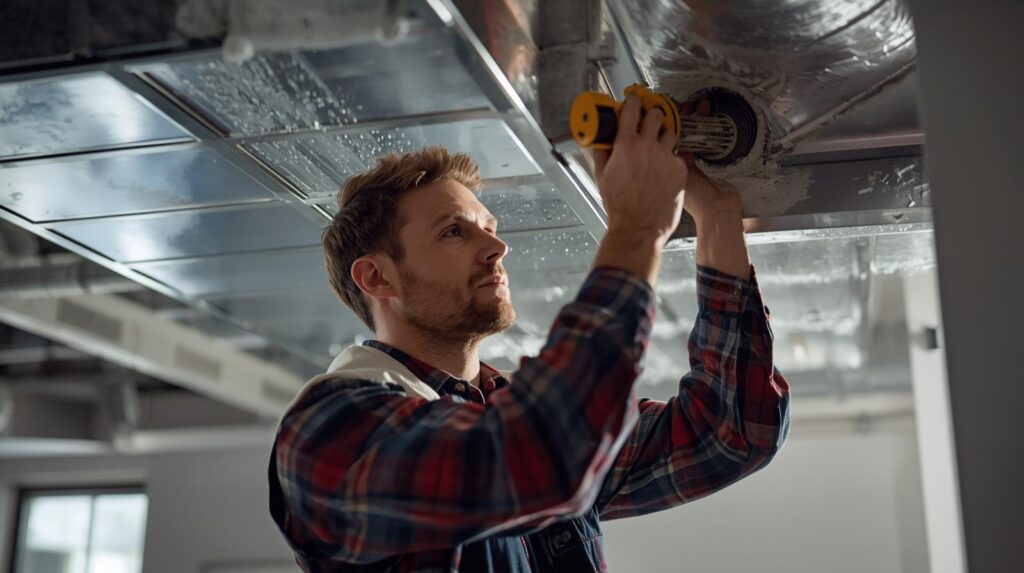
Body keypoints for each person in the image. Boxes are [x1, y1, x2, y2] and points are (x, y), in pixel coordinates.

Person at [268, 94, 790, 572]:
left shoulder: (505, 406)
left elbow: (732, 433)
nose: (497, 249)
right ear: (377, 277)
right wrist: (637, 228)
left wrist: (715, 214)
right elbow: (544, 454)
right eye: (453, 231)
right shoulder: (331, 430)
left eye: (489, 229)